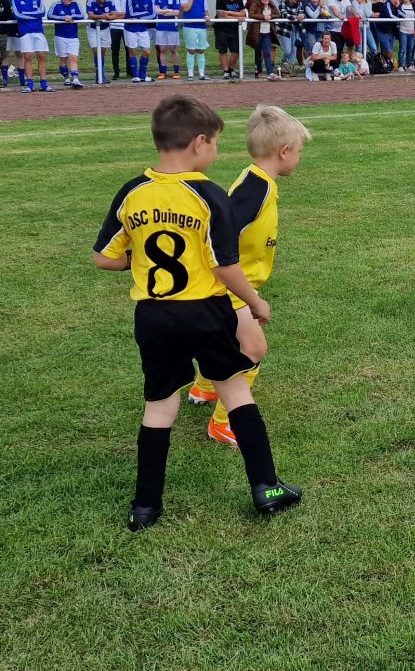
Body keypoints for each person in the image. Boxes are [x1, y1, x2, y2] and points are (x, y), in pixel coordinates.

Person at [93, 95, 299, 528]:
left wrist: (139, 262)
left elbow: (104, 258)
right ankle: (267, 487)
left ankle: (145, 507)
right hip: (205, 311)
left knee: (159, 406)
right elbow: (225, 266)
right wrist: (257, 302)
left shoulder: (133, 191)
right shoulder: (206, 195)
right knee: (237, 390)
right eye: (216, 144)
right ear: (199, 143)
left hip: (152, 314)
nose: (217, 152)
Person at [181, 104, 311, 445]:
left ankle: (205, 388)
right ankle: (225, 421)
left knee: (226, 342)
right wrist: (252, 300)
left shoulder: (256, 179)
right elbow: (221, 234)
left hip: (230, 283)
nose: (299, 158)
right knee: (253, 347)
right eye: (299, 152)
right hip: (232, 286)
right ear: (284, 151)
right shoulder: (257, 189)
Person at [12, 0, 50, 92]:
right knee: (27, 57)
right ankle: (30, 84)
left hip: (38, 31)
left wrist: (27, 14)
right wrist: (34, 15)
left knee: (41, 57)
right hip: (25, 32)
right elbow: (17, 15)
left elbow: (42, 12)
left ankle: (44, 84)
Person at [49, 0, 86, 88]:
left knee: (73, 57)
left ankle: (75, 78)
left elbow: (82, 15)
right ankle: (66, 77)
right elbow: (49, 15)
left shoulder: (76, 4)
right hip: (60, 36)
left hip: (73, 36)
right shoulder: (56, 5)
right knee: (63, 59)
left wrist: (72, 17)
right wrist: (63, 18)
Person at [124, 0, 156, 82]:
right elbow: (130, 14)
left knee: (147, 51)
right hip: (130, 29)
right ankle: (135, 75)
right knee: (132, 51)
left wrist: (141, 17)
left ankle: (143, 75)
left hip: (143, 28)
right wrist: (145, 13)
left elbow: (153, 14)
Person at [213, 0, 246, 81]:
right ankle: (226, 71)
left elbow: (243, 13)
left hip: (234, 28)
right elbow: (220, 15)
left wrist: (228, 12)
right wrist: (237, 16)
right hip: (221, 28)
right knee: (223, 50)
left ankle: (231, 70)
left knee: (236, 51)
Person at [180, 0, 209, 80]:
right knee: (191, 50)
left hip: (201, 27)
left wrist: (207, 17)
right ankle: (190, 74)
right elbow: (186, 8)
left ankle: (202, 74)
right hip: (189, 26)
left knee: (201, 50)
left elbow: (206, 12)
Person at [85, 0, 116, 83]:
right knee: (96, 51)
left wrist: (109, 18)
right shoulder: (90, 1)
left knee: (102, 51)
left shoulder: (110, 1)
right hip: (93, 28)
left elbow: (114, 14)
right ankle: (100, 75)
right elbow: (90, 15)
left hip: (105, 28)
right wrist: (102, 16)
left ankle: (101, 75)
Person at [246, 0, 280, 79]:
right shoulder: (255, 4)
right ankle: (259, 72)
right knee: (258, 53)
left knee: (267, 52)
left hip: (267, 32)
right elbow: (251, 14)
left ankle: (270, 72)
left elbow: (277, 14)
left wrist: (270, 16)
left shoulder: (271, 5)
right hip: (257, 32)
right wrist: (263, 17)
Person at [153, 0, 181, 81]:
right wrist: (168, 10)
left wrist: (163, 12)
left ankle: (176, 71)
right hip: (160, 27)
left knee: (173, 50)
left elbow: (176, 12)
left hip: (172, 27)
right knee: (162, 50)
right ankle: (163, 72)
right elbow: (156, 11)